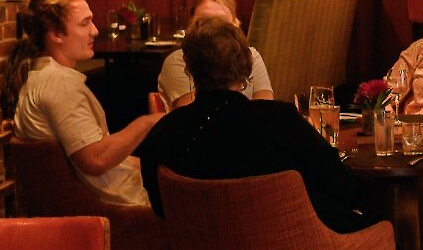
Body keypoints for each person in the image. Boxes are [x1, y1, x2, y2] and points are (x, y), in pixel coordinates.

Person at [136, 15, 368, 234]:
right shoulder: (279, 120)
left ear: (190, 68)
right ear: (246, 67)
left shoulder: (164, 133)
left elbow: (160, 207)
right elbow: (344, 188)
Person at [7, 0, 162, 208]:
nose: (95, 31)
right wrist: (148, 122)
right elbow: (94, 160)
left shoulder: (44, 77)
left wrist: (152, 165)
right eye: (84, 23)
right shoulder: (59, 86)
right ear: (56, 34)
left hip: (110, 198)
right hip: (115, 211)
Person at [156, 0, 274, 107]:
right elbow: (193, 113)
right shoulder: (179, 61)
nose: (212, 30)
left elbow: (265, 109)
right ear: (191, 24)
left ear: (235, 24)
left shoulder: (251, 56)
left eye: (221, 22)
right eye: (204, 22)